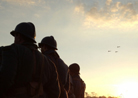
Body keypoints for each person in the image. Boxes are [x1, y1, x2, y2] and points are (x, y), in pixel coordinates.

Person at [0, 22, 60, 98]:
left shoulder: (12, 50)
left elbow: (5, 79)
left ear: (19, 36)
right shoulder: (50, 64)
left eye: (15, 35)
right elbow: (55, 93)